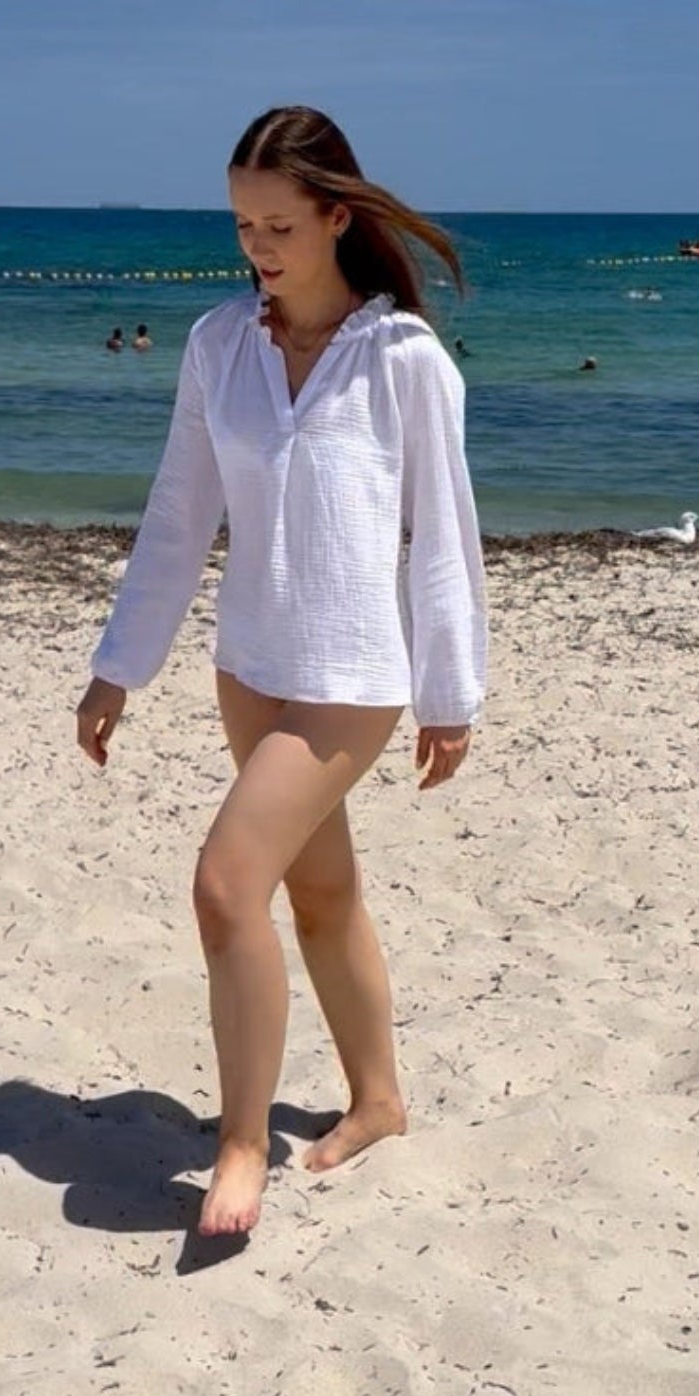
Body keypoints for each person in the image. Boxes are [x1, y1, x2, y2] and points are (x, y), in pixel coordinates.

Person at [75, 105, 486, 1238]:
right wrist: (120, 668)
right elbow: (178, 515)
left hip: (353, 674)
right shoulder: (220, 346)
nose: (257, 246)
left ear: (337, 218)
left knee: (225, 884)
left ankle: (242, 1142)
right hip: (249, 662)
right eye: (242, 225)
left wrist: (450, 692)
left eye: (279, 226)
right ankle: (380, 1099)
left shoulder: (404, 361)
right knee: (322, 892)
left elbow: (444, 533)